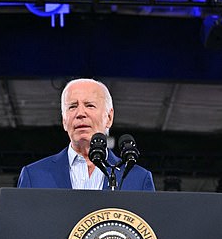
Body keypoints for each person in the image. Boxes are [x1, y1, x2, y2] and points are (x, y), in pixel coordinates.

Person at [17, 78, 155, 191]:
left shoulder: (138, 178)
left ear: (109, 117)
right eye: (72, 106)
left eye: (89, 105)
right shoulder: (34, 176)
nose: (80, 114)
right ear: (64, 120)